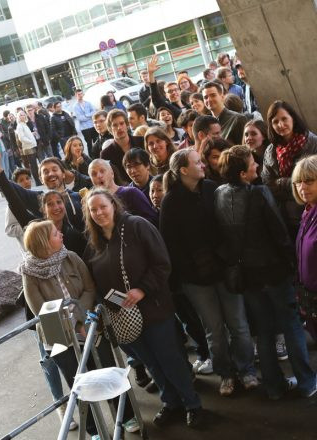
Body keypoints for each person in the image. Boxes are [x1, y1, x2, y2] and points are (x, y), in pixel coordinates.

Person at [83, 188, 203, 428]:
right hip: (123, 317)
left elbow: (162, 263)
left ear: (114, 205)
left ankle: (192, 404)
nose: (99, 212)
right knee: (151, 363)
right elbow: (96, 283)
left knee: (170, 359)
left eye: (103, 206)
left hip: (154, 308)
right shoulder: (93, 244)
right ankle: (171, 401)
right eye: (93, 210)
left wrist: (142, 289)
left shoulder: (137, 226)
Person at [215, 145, 316, 400]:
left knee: (263, 331)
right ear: (242, 173)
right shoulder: (259, 193)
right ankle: (306, 382)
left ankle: (273, 387)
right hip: (273, 272)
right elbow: (279, 234)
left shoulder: (218, 194)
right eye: (252, 164)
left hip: (247, 277)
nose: (257, 166)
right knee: (291, 325)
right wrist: (292, 266)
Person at [21, 218, 138, 438]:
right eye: (55, 234)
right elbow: (41, 310)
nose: (61, 235)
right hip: (57, 334)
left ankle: (126, 416)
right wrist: (75, 324)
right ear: (44, 243)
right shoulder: (28, 272)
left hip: (89, 324)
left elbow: (89, 288)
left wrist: (81, 319)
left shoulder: (71, 257)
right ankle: (93, 430)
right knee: (78, 381)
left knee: (106, 368)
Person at [160, 148, 256, 396]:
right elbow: (172, 245)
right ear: (183, 170)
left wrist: (228, 258)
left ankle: (246, 370)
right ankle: (226, 374)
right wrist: (190, 273)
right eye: (197, 162)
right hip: (196, 279)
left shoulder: (212, 188)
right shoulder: (171, 201)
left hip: (224, 270)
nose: (203, 165)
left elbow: (227, 226)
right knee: (214, 330)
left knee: (239, 325)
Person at [0, 146, 84, 231]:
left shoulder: (79, 196)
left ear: (63, 173)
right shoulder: (39, 199)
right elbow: (7, 188)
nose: (51, 174)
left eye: (55, 169)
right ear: (41, 179)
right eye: (45, 172)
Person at [262, 100, 317, 239]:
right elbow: (268, 184)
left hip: (311, 212)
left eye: (284, 118)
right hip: (285, 215)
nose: (281, 125)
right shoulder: (270, 150)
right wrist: (293, 183)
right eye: (275, 122)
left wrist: (281, 182)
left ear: (293, 117)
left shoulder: (312, 143)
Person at [88, 159, 158, 226]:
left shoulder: (131, 193)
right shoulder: (92, 203)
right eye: (94, 174)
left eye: (102, 171)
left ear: (112, 173)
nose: (99, 176)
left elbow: (152, 221)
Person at [293, 155, 317, 343]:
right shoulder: (308, 210)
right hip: (310, 299)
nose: (302, 187)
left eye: (309, 181)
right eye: (298, 182)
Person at [100, 109, 143, 184]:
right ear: (110, 129)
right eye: (115, 125)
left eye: (121, 123)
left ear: (127, 125)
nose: (119, 128)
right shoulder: (106, 154)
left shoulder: (141, 141)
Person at [201, 81, 247, 145]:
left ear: (222, 96)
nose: (209, 100)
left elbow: (245, 148)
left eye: (213, 95)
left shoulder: (238, 119)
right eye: (206, 97)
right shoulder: (206, 124)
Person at [148, 55, 189, 120]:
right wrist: (150, 74)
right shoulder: (168, 108)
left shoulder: (189, 105)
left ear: (180, 91)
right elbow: (156, 98)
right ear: (166, 95)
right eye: (170, 91)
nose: (174, 92)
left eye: (176, 89)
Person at [16, 111, 42, 186]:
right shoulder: (20, 126)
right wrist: (30, 141)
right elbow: (21, 138)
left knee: (34, 164)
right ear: (18, 117)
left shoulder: (24, 124)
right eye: (21, 115)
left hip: (31, 146)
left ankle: (38, 180)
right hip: (28, 147)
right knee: (33, 165)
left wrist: (31, 134)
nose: (23, 116)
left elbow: (26, 135)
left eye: (24, 115)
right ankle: (37, 181)